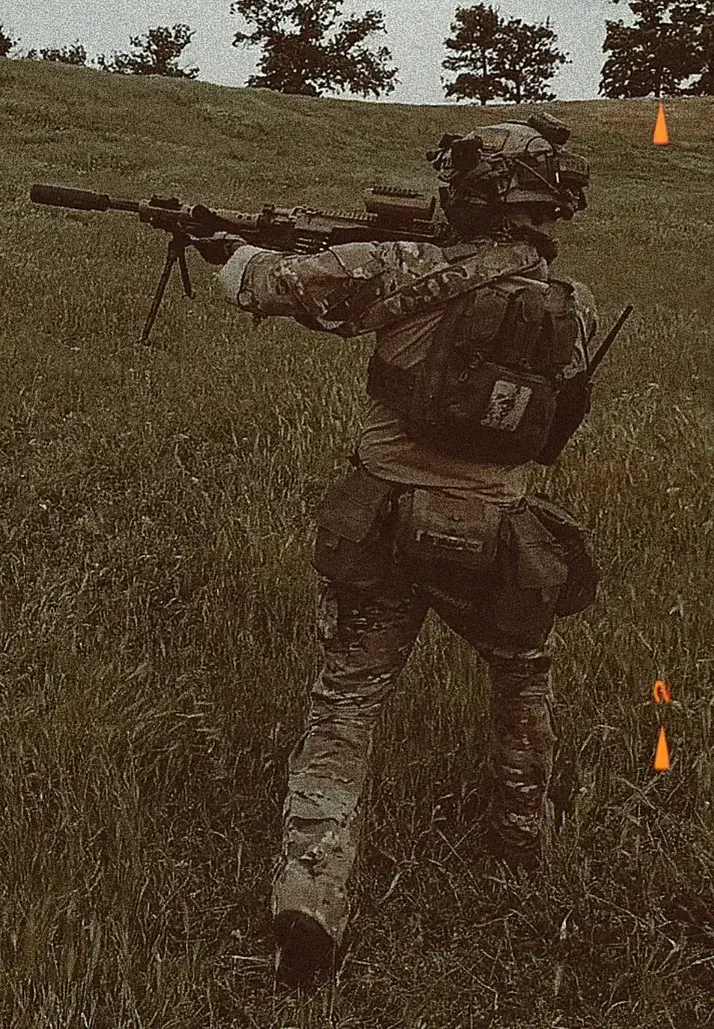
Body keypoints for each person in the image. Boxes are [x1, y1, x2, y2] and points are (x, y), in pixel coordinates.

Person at [192, 112, 600, 989]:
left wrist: (224, 249)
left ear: (466, 194)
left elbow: (265, 285)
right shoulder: (572, 307)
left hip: (384, 521)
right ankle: (521, 837)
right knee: (522, 677)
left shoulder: (396, 269)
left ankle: (311, 894)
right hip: (499, 534)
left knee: (347, 703)